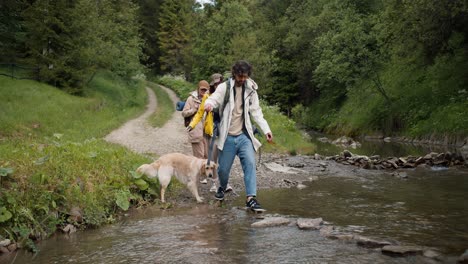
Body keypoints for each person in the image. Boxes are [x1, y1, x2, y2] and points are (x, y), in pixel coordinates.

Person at [203, 60, 273, 211]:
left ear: (248, 75)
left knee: (250, 163)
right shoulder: (224, 87)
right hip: (227, 136)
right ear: (234, 74)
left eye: (245, 76)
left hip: (244, 135)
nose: (242, 79)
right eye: (239, 76)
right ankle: (221, 187)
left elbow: (256, 111)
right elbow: (213, 99)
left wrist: (266, 130)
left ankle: (251, 198)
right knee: (223, 170)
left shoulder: (251, 89)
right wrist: (209, 104)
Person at [187, 73, 233, 193]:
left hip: (225, 131)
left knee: (224, 159)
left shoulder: (228, 95)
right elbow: (200, 114)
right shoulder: (207, 96)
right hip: (211, 132)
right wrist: (192, 125)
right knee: (213, 159)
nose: (218, 85)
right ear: (213, 85)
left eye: (220, 83)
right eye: (216, 84)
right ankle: (214, 184)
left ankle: (225, 183)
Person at [181, 80, 210, 159]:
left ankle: (206, 171)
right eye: (202, 89)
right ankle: (199, 171)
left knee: (208, 156)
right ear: (198, 89)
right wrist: (193, 110)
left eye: (205, 90)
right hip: (196, 131)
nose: (203, 91)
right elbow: (184, 113)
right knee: (199, 157)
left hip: (207, 132)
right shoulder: (191, 99)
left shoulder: (210, 99)